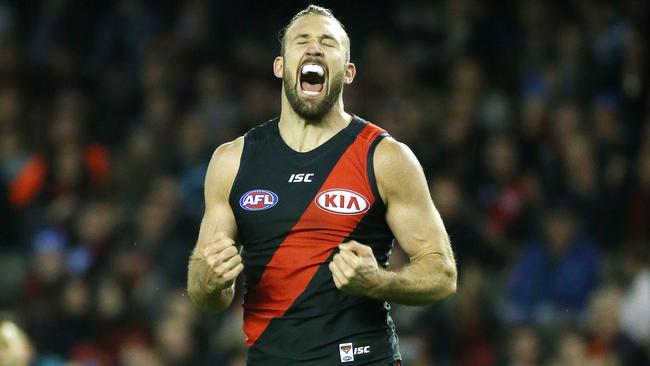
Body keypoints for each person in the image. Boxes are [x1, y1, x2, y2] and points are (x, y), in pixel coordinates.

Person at [187, 5, 457, 365]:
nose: (314, 49)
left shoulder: (385, 157)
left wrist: (377, 281)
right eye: (302, 40)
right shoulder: (233, 161)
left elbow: (442, 274)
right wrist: (209, 280)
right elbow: (206, 294)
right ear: (280, 66)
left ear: (347, 73)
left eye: (327, 43)